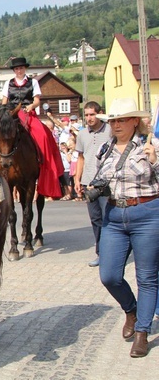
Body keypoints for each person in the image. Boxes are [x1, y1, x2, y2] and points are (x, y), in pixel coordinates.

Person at [90, 98, 159, 358]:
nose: (116, 124)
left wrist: (155, 162)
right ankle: (131, 309)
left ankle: (142, 332)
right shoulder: (105, 149)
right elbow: (102, 180)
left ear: (134, 121)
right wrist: (93, 188)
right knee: (109, 275)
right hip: (114, 215)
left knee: (147, 277)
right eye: (113, 120)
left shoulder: (150, 146)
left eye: (121, 120)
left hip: (147, 213)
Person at [0, 57, 64, 199]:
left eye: (21, 68)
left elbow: (37, 100)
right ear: (14, 70)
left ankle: (44, 163)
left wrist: (31, 106)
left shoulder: (33, 82)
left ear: (24, 69)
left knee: (43, 134)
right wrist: (4, 113)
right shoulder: (8, 83)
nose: (19, 70)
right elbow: (4, 101)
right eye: (16, 68)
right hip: (12, 114)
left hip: (28, 113)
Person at [73, 101, 111, 267]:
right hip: (89, 182)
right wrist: (77, 178)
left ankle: (111, 254)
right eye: (86, 115)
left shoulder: (110, 130)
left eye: (92, 114)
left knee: (108, 218)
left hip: (107, 181)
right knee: (95, 219)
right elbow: (81, 157)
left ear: (99, 113)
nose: (89, 118)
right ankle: (100, 253)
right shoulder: (82, 134)